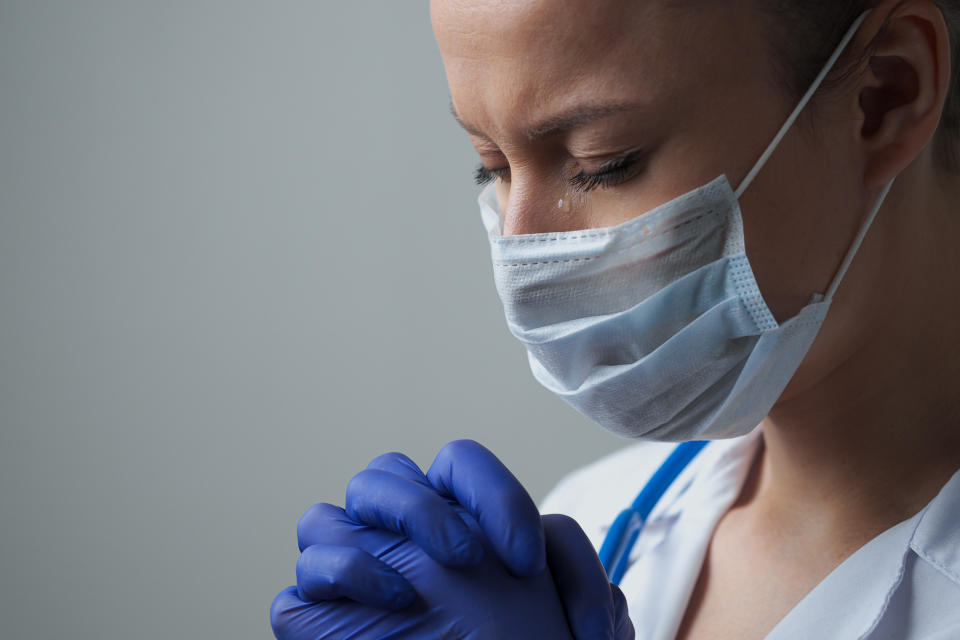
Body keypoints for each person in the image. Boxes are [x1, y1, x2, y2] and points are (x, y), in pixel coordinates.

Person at [270, 0, 960, 637]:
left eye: (603, 163)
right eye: (492, 166)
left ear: (886, 95)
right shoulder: (587, 529)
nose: (522, 253)